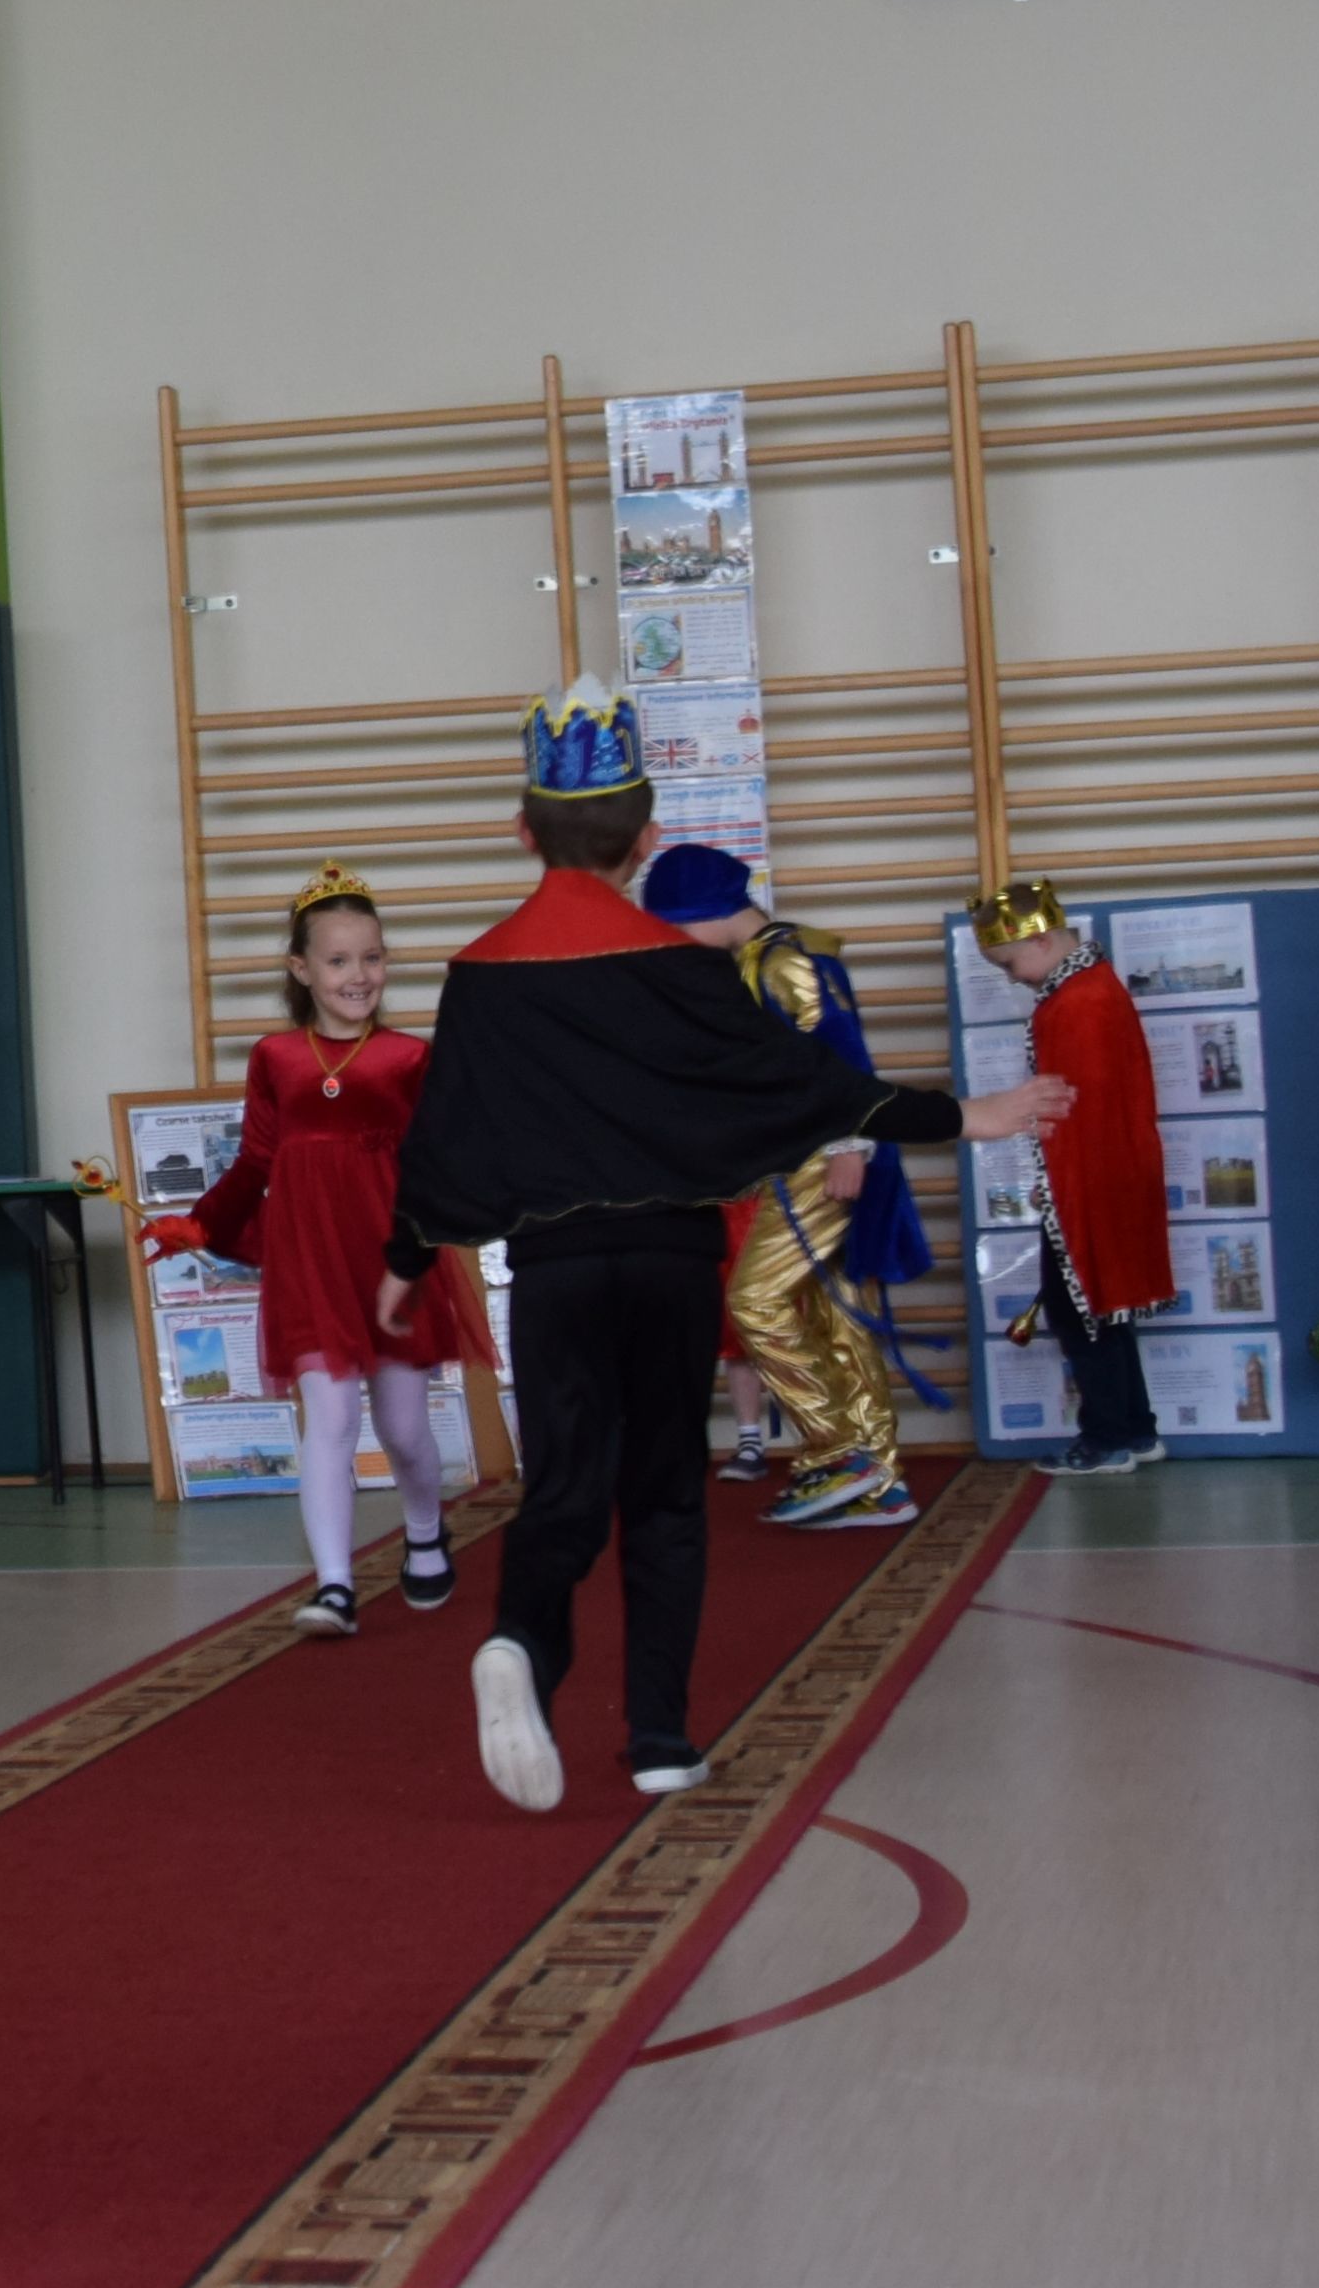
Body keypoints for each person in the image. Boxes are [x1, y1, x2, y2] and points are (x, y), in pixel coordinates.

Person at [382, 684, 1059, 1815]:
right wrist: (965, 1116)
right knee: (664, 1493)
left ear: (520, 832)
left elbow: (443, 1137)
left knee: (565, 1485)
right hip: (668, 1268)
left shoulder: (483, 976)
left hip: (554, 1272)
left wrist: (404, 1262)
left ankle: (522, 1644)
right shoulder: (679, 966)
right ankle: (659, 1737)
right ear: (646, 840)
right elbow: (805, 1084)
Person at [140, 867, 491, 1636]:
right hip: (311, 1264)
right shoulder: (276, 1058)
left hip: (390, 1260)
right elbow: (255, 1162)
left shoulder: (407, 1058)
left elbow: (437, 1164)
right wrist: (199, 1224)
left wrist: (419, 1251)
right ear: (301, 969)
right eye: (338, 961)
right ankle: (334, 1584)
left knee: (403, 1429)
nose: (358, 975)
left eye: (372, 957)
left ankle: (425, 1530)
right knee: (327, 1420)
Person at [631, 844, 919, 1533]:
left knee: (754, 1300)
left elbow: (841, 1053)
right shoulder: (767, 958)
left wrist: (849, 1145)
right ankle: (881, 1483)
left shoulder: (780, 962)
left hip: (825, 1159)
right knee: (839, 1320)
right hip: (810, 1159)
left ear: (704, 912)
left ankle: (840, 1452)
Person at [970, 879, 1174, 1473]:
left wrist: (1062, 1180)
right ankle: (1136, 1430)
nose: (1012, 978)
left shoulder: (1077, 1002)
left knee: (1078, 1309)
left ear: (1039, 940)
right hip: (1106, 1172)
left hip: (1092, 1179)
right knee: (1105, 1308)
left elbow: (1076, 1107)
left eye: (1009, 964)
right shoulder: (1091, 988)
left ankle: (1108, 1438)